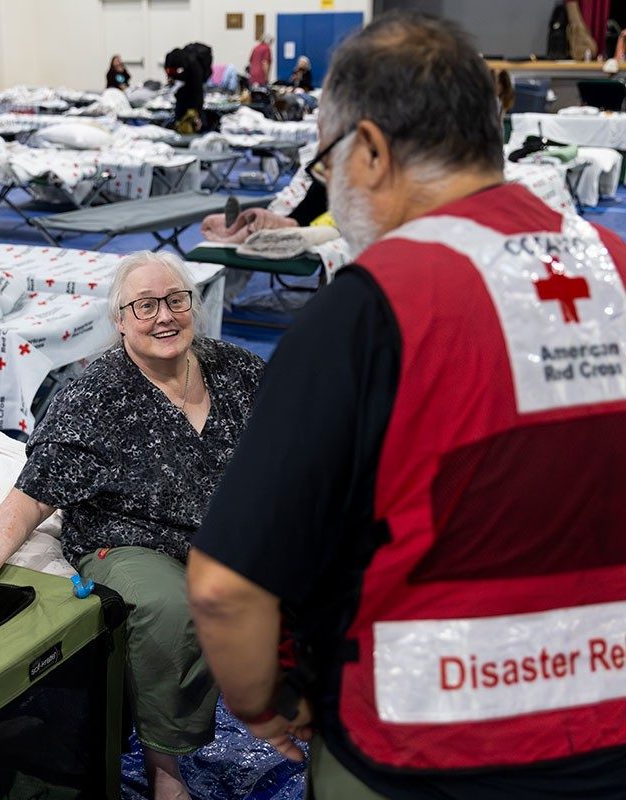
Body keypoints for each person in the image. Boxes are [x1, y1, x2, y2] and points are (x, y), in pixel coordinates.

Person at [188, 10, 626, 800]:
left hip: (425, 742)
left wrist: (265, 706)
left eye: (330, 161)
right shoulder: (616, 267)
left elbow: (226, 586)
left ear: (373, 151)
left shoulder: (368, 311)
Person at [0, 251, 265, 800]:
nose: (164, 316)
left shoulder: (239, 371)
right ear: (120, 320)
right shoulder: (95, 397)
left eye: (176, 300)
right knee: (169, 609)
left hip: (231, 534)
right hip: (132, 540)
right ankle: (165, 767)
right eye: (145, 306)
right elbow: (31, 496)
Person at [164, 46, 204, 134]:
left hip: (192, 92)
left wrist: (198, 113)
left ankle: (191, 129)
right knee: (181, 117)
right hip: (185, 93)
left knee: (190, 118)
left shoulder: (193, 65)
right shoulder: (173, 59)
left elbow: (198, 91)